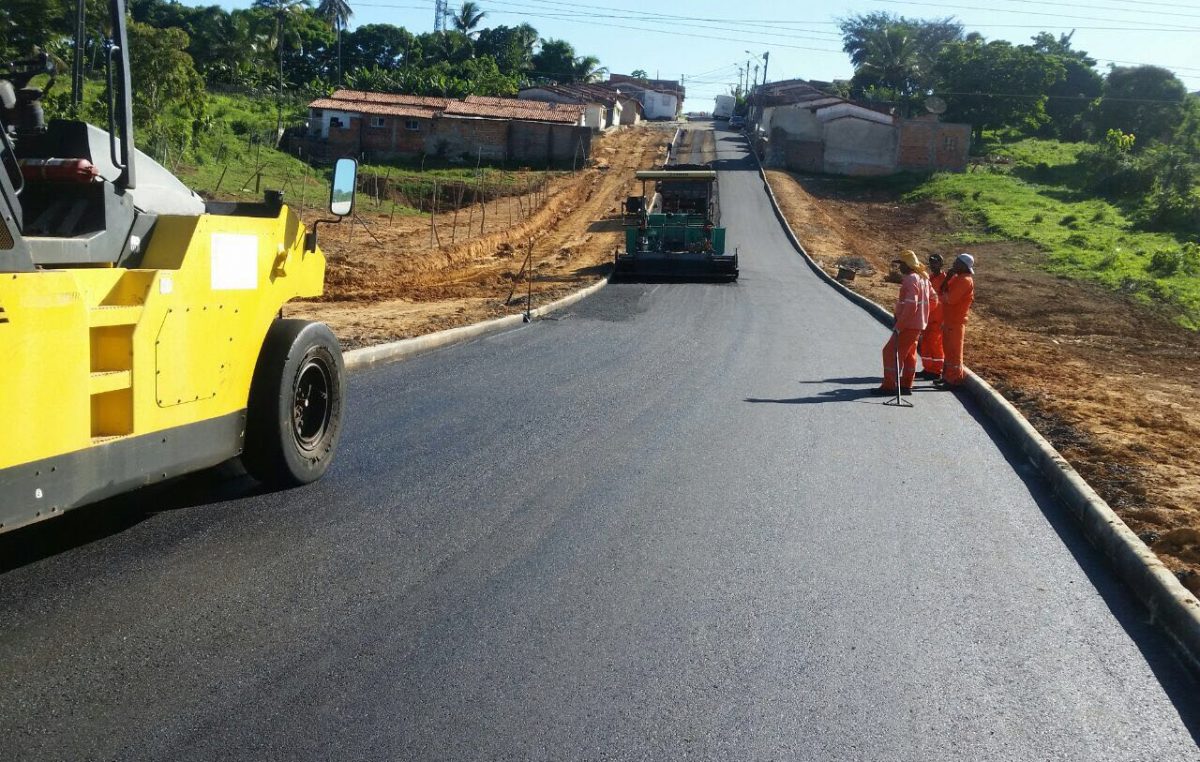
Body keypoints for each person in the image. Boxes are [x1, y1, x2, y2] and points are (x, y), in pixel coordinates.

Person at [873, 250, 933, 396]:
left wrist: (900, 325)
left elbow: (911, 305)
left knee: (890, 352)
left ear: (907, 265)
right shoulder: (923, 278)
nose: (899, 268)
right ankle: (906, 385)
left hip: (908, 324)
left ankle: (889, 386)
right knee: (909, 354)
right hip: (917, 324)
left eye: (901, 264)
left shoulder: (911, 279)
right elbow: (933, 299)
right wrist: (923, 318)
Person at [934, 253, 976, 387]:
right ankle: (947, 376)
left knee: (954, 352)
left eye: (957, 262)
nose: (953, 264)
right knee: (948, 350)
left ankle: (954, 379)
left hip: (956, 321)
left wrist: (943, 295)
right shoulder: (957, 278)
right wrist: (948, 279)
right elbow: (942, 291)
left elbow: (950, 299)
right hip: (949, 320)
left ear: (964, 265)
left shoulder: (965, 280)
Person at [917, 253, 947, 380]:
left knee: (936, 344)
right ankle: (928, 368)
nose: (933, 264)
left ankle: (936, 370)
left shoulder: (946, 279)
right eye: (931, 262)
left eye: (936, 262)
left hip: (938, 317)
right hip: (927, 315)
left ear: (941, 264)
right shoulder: (929, 278)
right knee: (925, 343)